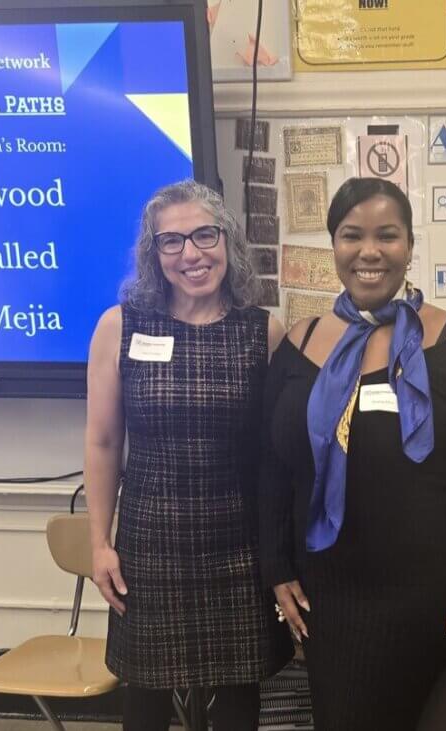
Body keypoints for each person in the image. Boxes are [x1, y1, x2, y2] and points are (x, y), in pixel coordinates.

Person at [259, 177, 446, 730]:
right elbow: (272, 466)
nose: (369, 251)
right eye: (352, 235)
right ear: (334, 245)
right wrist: (276, 566)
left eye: (388, 235)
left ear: (409, 247)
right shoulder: (297, 345)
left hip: (429, 599)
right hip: (326, 593)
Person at [84, 180, 292, 731]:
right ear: (153, 255)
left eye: (204, 235)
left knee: (238, 712)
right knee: (145, 710)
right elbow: (104, 442)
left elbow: (276, 456)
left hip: (237, 549)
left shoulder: (263, 332)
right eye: (171, 242)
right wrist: (99, 544)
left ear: (227, 241)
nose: (191, 254)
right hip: (149, 551)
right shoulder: (120, 326)